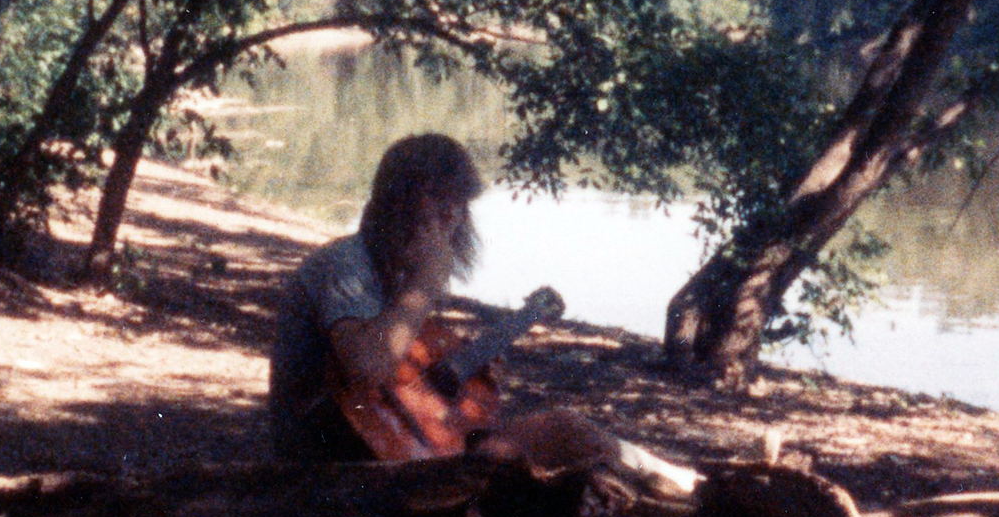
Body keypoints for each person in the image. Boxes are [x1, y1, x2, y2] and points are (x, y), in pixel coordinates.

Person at [268, 133, 699, 494]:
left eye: (459, 202)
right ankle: (677, 484)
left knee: (566, 439)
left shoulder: (394, 274)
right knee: (561, 437)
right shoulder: (348, 263)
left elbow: (401, 382)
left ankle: (677, 481)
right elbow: (367, 368)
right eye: (435, 195)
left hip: (389, 450)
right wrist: (430, 277)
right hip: (333, 465)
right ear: (395, 201)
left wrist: (467, 382)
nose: (450, 213)